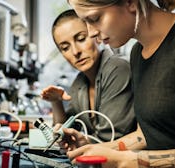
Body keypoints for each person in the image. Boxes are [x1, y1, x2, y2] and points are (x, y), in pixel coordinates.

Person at [56, 0, 175, 167]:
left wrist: (131, 161)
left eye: (95, 18)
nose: (92, 32)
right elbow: (145, 135)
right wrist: (94, 148)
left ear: (130, 2)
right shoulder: (137, 54)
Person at [40, 9, 136, 142]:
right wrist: (56, 102)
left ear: (96, 34)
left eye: (81, 39)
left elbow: (110, 139)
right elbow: (61, 134)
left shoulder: (118, 68)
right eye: (65, 48)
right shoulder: (79, 83)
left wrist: (76, 141)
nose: (75, 52)